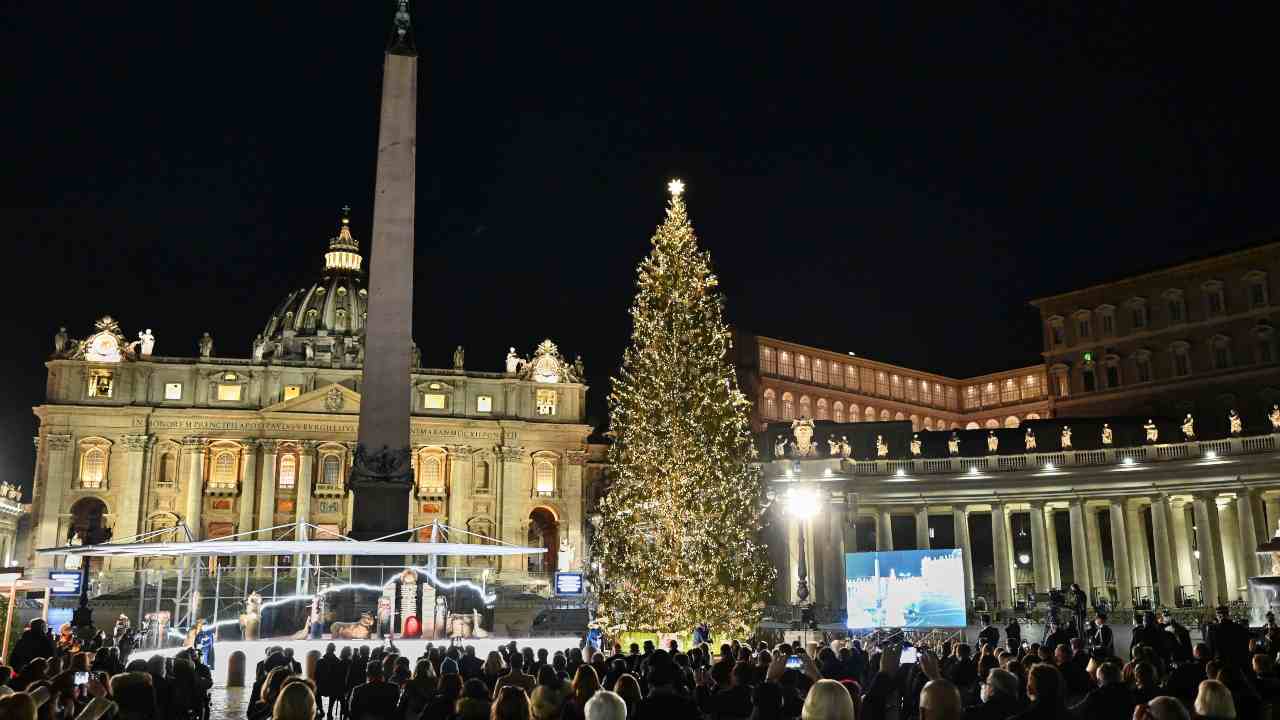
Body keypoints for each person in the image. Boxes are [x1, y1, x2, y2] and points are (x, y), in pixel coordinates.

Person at [1205, 606, 1249, 671]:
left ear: (1218, 615)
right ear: (1228, 614)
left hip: (1219, 663)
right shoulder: (1238, 627)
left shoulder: (1212, 629)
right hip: (1236, 662)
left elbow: (1209, 647)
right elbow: (1244, 645)